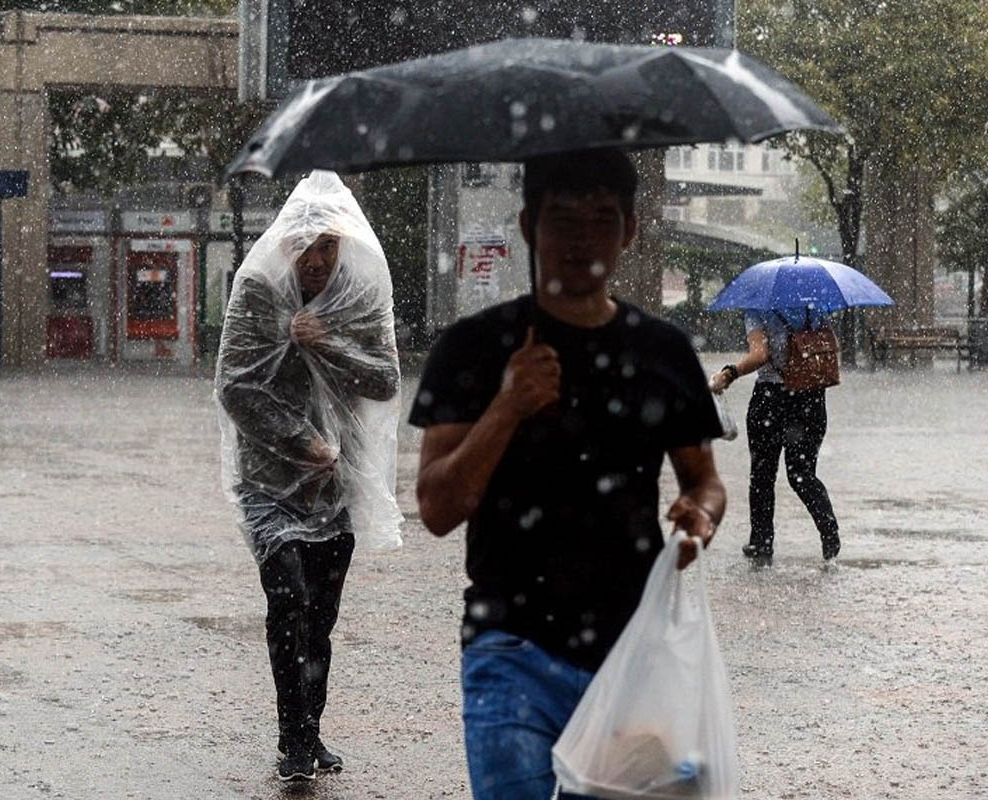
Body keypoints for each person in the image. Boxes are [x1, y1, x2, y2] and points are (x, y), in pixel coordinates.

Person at [408, 149, 726, 800]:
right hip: (509, 650)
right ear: (528, 225)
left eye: (602, 218)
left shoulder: (662, 352)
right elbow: (438, 507)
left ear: (630, 230)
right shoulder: (472, 348)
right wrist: (508, 403)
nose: (583, 239)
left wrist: (701, 519)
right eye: (563, 218)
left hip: (630, 654)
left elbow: (705, 480)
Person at [215, 171, 402, 783]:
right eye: (307, 245)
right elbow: (236, 386)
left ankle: (310, 731)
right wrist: (302, 442)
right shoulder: (258, 292)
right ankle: (291, 741)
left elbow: (384, 379)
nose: (318, 259)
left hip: (337, 484)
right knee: (288, 598)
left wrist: (326, 345)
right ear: (287, 243)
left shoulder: (356, 295)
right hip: (270, 481)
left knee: (320, 616)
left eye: (329, 246)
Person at [708, 308, 840, 564]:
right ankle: (829, 532)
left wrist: (728, 374)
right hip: (810, 398)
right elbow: (827, 348)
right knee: (802, 474)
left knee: (762, 474)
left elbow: (760, 355)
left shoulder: (758, 309)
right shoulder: (813, 308)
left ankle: (761, 542)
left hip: (771, 399)